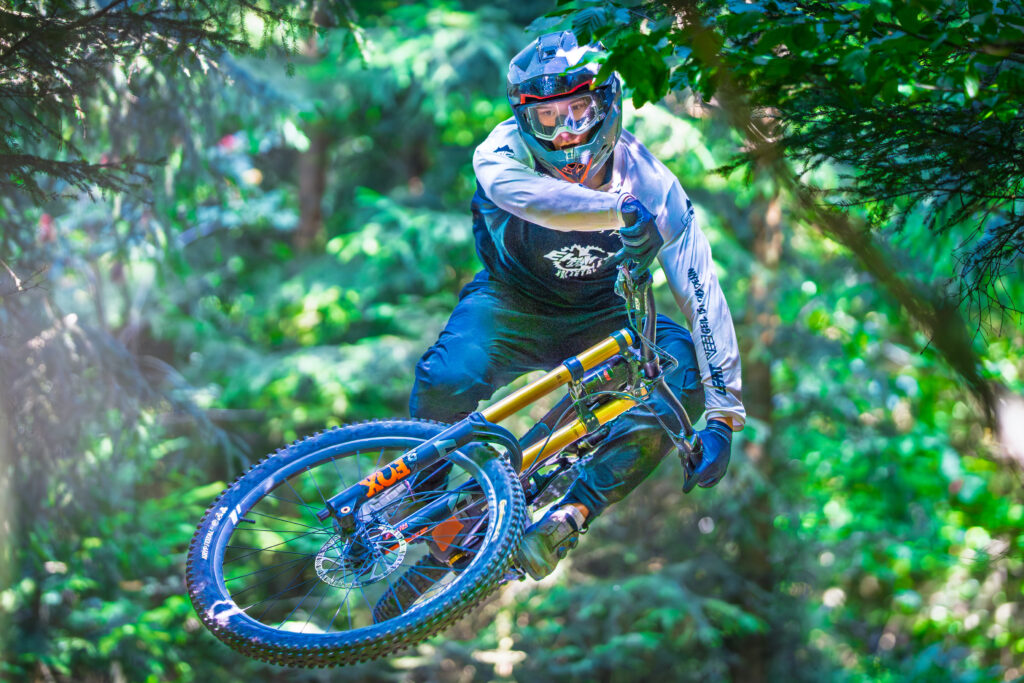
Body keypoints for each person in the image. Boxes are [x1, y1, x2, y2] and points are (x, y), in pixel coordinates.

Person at [409, 30, 746, 580]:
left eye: (577, 111)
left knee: (679, 370)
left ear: (607, 104)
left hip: (606, 313)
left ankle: (569, 515)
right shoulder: (500, 152)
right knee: (449, 376)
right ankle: (416, 500)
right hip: (511, 303)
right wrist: (620, 212)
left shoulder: (653, 183)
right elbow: (536, 201)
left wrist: (725, 416)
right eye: (545, 118)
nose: (564, 132)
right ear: (524, 120)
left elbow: (701, 293)